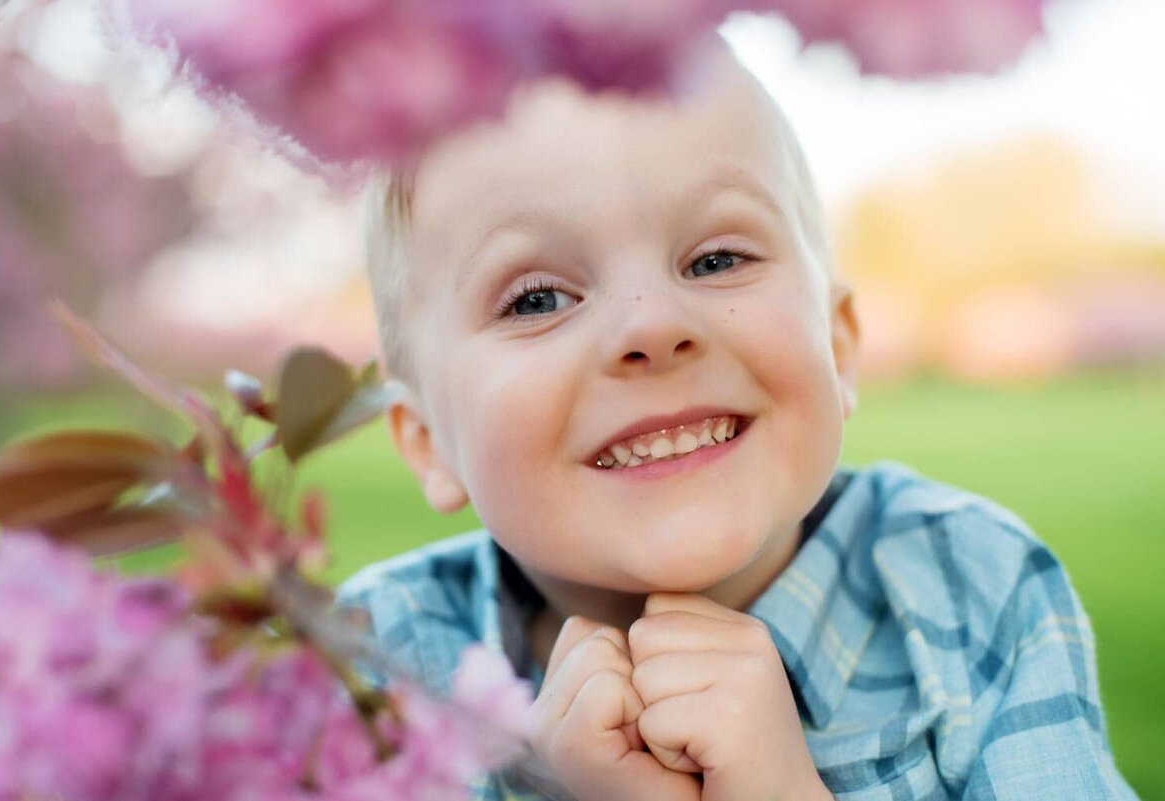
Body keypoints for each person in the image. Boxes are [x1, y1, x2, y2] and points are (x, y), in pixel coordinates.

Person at [336, 41, 1137, 801]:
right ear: (429, 442)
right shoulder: (373, 664)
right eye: (537, 299)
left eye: (717, 259)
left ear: (837, 343)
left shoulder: (969, 585)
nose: (652, 327)